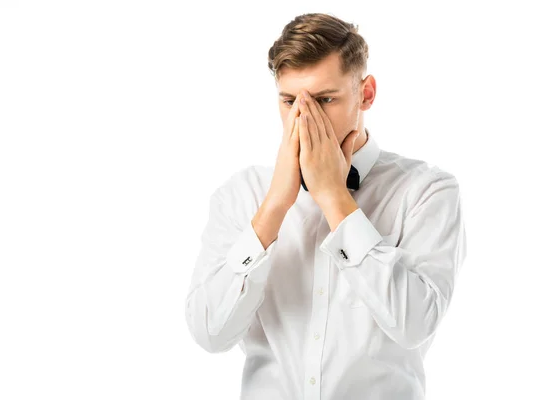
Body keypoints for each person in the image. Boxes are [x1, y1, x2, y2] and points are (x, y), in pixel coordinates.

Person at [184, 12, 467, 400]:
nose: (303, 119)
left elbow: (415, 323)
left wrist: (335, 197)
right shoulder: (242, 193)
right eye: (289, 102)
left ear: (365, 94)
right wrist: (273, 210)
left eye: (324, 100)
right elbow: (209, 334)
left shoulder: (427, 191)